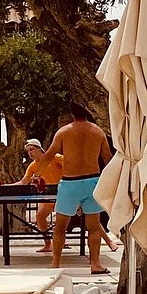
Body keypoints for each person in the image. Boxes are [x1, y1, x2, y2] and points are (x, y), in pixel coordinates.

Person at [45, 101, 113, 274]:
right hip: (92, 181)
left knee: (60, 226)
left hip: (70, 183)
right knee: (94, 226)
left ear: (72, 113)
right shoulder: (98, 132)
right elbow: (107, 158)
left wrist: (37, 173)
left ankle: (55, 263)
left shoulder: (64, 132)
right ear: (88, 111)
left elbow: (49, 155)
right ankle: (95, 264)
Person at [12, 137, 62, 252]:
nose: (30, 153)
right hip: (47, 197)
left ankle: (60, 242)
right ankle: (48, 244)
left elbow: (71, 168)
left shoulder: (56, 158)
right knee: (40, 216)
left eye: (32, 149)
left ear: (39, 148)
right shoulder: (33, 166)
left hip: (63, 195)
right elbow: (24, 181)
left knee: (63, 219)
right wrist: (8, 186)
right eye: (28, 151)